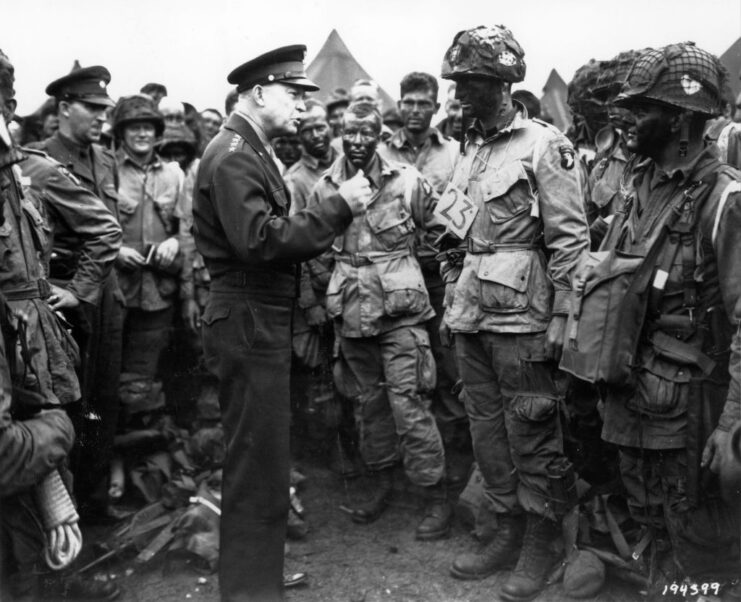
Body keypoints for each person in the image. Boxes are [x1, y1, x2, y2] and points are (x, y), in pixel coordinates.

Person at [192, 44, 369, 601]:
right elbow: (258, 240)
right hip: (248, 316)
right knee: (254, 461)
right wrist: (337, 207)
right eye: (293, 95)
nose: (301, 107)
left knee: (264, 458)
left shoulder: (247, 148)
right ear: (259, 93)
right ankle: (249, 590)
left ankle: (257, 578)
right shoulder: (235, 154)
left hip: (253, 317)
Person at [439, 26, 589, 600]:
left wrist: (564, 315)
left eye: (473, 81)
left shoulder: (545, 146)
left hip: (526, 315)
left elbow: (570, 239)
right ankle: (507, 526)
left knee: (531, 427)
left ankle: (543, 538)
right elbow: (459, 230)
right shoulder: (471, 148)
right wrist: (454, 285)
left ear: (503, 83)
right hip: (472, 311)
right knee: (487, 429)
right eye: (459, 81)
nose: (462, 92)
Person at [593, 42, 741, 587]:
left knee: (702, 547)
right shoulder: (641, 185)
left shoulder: (724, 200)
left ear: (680, 120)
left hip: (692, 417)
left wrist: (731, 427)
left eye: (643, 109)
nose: (629, 120)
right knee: (652, 528)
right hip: (638, 403)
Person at [307, 101, 452, 539]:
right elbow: (312, 247)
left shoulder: (406, 179)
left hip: (402, 313)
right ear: (339, 134)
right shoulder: (324, 187)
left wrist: (439, 276)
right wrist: (325, 290)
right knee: (369, 406)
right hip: (351, 312)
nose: (356, 142)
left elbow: (447, 228)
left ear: (379, 135)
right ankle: (383, 484)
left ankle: (435, 496)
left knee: (410, 405)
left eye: (366, 134)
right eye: (349, 133)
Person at [33, 64, 125, 519]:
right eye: (92, 108)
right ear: (65, 108)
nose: (101, 117)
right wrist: (77, 290)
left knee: (104, 399)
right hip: (66, 295)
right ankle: (66, 512)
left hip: (106, 295)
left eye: (104, 109)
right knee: (72, 403)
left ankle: (94, 498)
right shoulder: (39, 162)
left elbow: (111, 230)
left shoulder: (106, 159)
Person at [384, 71, 469, 484]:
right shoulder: (382, 154)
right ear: (399, 105)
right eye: (408, 102)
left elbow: (463, 218)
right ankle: (410, 473)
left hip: (437, 276)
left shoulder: (452, 154)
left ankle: (451, 472)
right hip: (393, 278)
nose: (415, 111)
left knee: (449, 369)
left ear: (436, 108)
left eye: (423, 103)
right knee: (404, 374)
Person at [111, 95, 185, 424]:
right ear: (121, 133)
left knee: (145, 376)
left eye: (147, 128)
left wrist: (173, 242)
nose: (141, 134)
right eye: (134, 128)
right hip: (116, 291)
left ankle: (141, 451)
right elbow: (90, 227)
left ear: (157, 134)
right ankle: (110, 459)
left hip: (158, 291)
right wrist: (114, 251)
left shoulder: (174, 175)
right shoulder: (107, 171)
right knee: (109, 373)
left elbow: (190, 230)